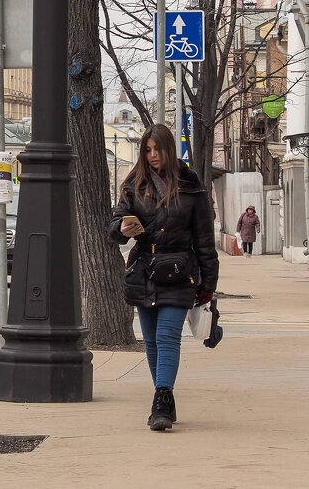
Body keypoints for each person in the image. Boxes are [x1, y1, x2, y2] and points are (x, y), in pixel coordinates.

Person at [109, 123, 219, 432]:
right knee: (152, 343)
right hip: (144, 269)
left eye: (158, 149)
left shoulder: (191, 186)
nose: (153, 155)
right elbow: (115, 223)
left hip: (180, 271)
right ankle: (164, 395)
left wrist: (208, 286)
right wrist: (121, 229)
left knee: (167, 336)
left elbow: (205, 242)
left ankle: (162, 399)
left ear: (169, 149)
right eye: (147, 150)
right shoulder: (134, 184)